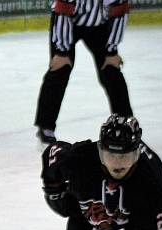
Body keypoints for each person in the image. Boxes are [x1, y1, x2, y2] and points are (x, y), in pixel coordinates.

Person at [33, 0, 132, 145]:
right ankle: (46, 127)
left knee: (111, 71)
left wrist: (111, 50)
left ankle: (125, 122)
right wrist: (62, 51)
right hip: (68, 24)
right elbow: (62, 12)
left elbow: (119, 11)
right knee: (59, 70)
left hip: (100, 26)